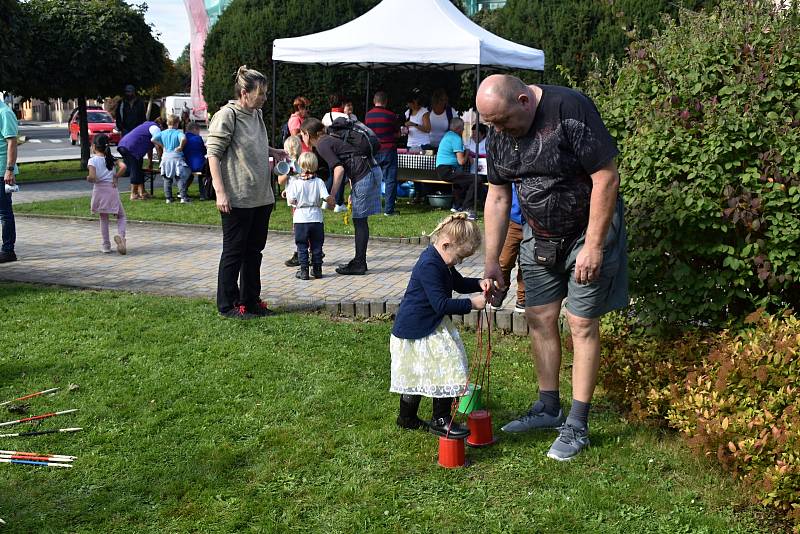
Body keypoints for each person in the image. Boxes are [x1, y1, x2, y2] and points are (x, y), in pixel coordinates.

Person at [477, 74, 628, 461]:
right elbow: (497, 195)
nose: (498, 130)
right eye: (491, 123)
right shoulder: (499, 128)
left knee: (580, 322)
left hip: (586, 232)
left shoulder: (570, 109)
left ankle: (577, 423)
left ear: (525, 101)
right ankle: (548, 408)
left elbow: (606, 178)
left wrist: (594, 245)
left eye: (503, 121)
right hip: (539, 232)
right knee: (540, 317)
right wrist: (492, 262)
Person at [390, 212, 491, 438]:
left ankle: (407, 418)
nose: (459, 262)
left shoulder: (441, 260)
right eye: (459, 257)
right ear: (446, 244)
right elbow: (441, 304)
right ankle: (440, 419)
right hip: (417, 328)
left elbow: (458, 282)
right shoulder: (429, 264)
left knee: (422, 371)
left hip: (426, 324)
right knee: (446, 365)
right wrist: (472, 304)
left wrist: (478, 283)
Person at [207, 65, 286, 319]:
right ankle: (228, 305)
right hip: (237, 197)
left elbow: (253, 145)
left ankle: (250, 300)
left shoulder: (256, 115)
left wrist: (273, 151)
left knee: (254, 252)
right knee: (234, 252)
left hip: (261, 196)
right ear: (244, 92)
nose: (264, 97)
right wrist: (221, 192)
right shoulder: (227, 115)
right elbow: (213, 154)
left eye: (265, 93)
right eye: (260, 93)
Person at [300, 117, 382, 276]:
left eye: (302, 135)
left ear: (307, 134)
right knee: (360, 219)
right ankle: (359, 261)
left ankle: (359, 263)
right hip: (369, 170)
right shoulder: (329, 138)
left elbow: (339, 169)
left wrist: (332, 196)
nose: (302, 138)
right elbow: (350, 157)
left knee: (359, 219)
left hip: (365, 173)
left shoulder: (322, 144)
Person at [286, 152, 332, 280]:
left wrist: (289, 196)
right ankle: (317, 269)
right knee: (317, 244)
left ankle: (304, 270)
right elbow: (325, 196)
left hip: (300, 217)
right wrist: (331, 200)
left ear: (299, 166)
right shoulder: (319, 182)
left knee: (302, 245)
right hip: (316, 217)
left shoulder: (296, 183)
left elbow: (291, 201)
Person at [87, 134, 127, 255]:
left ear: (94, 146)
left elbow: (93, 177)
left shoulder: (92, 160)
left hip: (99, 191)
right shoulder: (112, 159)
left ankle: (106, 245)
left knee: (103, 218)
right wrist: (116, 176)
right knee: (121, 216)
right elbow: (124, 166)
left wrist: (88, 178)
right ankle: (121, 237)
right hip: (111, 190)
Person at [364, 91, 400, 216]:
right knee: (390, 180)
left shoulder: (368, 116)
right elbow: (398, 133)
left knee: (371, 179)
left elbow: (367, 133)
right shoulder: (391, 115)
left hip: (373, 150)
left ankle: (369, 206)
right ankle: (388, 210)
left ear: (374, 101)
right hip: (388, 149)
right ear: (386, 101)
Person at [434, 117, 477, 220]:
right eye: (462, 128)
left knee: (461, 179)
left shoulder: (448, 135)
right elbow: (461, 161)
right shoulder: (456, 138)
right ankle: (467, 208)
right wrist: (467, 152)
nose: (463, 130)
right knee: (476, 179)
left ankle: (456, 206)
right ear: (458, 128)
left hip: (442, 169)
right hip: (448, 169)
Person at [117, 118, 163, 200]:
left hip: (124, 145)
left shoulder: (147, 126)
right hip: (131, 148)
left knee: (138, 168)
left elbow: (150, 148)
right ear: (162, 126)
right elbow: (158, 146)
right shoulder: (155, 128)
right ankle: (133, 194)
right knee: (135, 169)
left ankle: (143, 192)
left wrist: (150, 162)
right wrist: (162, 161)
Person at [152, 115, 191, 204]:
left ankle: (168, 198)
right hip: (176, 157)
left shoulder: (163, 133)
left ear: (167, 123)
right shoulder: (178, 133)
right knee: (180, 178)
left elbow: (152, 139)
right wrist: (181, 146)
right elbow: (184, 138)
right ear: (177, 123)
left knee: (167, 178)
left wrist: (162, 145)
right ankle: (183, 197)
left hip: (166, 157)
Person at [278, 135, 304, 268]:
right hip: (296, 197)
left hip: (299, 199)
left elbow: (281, 180)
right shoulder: (287, 163)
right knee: (300, 225)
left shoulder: (301, 162)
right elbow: (281, 181)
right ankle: (305, 250)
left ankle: (301, 252)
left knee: (299, 226)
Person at [321, 94, 349, 212]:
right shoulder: (345, 117)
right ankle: (338, 202)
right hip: (341, 147)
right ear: (342, 104)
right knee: (340, 175)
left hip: (329, 147)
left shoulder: (327, 116)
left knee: (332, 174)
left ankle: (325, 200)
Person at [0, 98, 18, 263]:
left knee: (4, 213)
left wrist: (9, 170)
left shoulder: (4, 112)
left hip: (2, 172)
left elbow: (12, 142)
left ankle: (8, 251)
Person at [183, 122, 208, 200]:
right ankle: (203, 194)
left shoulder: (183, 137)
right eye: (199, 131)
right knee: (204, 173)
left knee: (190, 175)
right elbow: (204, 151)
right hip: (198, 165)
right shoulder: (198, 138)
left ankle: (183, 191)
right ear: (195, 129)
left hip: (186, 165)